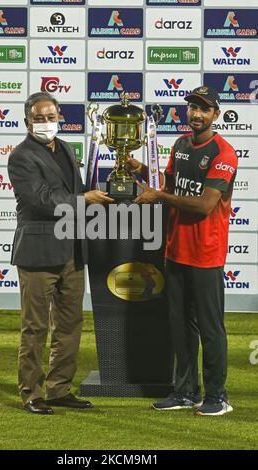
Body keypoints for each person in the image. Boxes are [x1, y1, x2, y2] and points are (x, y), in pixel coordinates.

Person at [127, 86, 238, 416]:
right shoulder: (179, 145)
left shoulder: (223, 153)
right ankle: (186, 391)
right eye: (192, 107)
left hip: (206, 254)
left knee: (210, 328)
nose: (196, 114)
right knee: (181, 326)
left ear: (215, 114)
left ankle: (217, 395)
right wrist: (140, 171)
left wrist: (159, 197)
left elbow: (204, 205)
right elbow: (171, 186)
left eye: (204, 109)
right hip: (176, 251)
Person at [8, 92, 113, 415]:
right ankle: (32, 393)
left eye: (50, 116)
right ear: (27, 121)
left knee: (70, 324)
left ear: (59, 117)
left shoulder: (66, 148)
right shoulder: (21, 156)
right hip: (38, 253)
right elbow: (42, 200)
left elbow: (73, 191)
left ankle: (59, 389)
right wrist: (84, 201)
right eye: (39, 118)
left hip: (72, 251)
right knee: (35, 327)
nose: (46, 123)